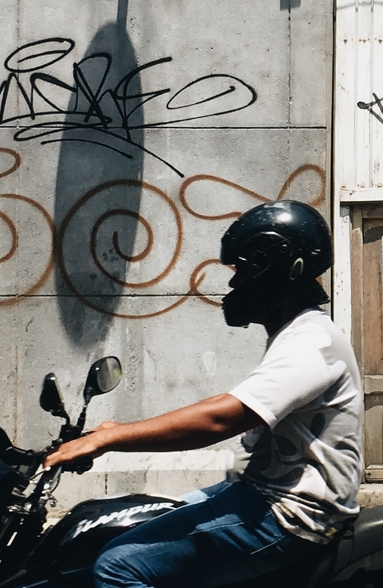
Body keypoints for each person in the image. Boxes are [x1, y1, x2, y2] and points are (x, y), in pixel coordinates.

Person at [44, 200, 363, 588]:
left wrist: (112, 439)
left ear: (279, 270)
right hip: (258, 492)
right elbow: (227, 404)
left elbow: (220, 418)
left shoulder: (310, 341)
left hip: (290, 514)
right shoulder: (296, 333)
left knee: (118, 565)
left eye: (243, 270)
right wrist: (113, 430)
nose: (234, 283)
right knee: (131, 519)